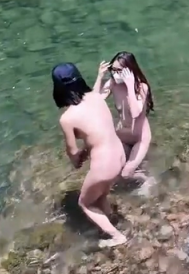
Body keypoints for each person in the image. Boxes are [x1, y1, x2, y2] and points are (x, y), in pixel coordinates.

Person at [52, 63, 127, 248]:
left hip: (104, 166)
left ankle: (117, 237)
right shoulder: (96, 97)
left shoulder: (67, 118)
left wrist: (77, 159)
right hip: (120, 155)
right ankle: (111, 218)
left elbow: (71, 150)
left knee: (85, 203)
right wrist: (100, 76)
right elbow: (93, 102)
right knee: (99, 196)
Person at [97, 51, 155, 183]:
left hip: (139, 138)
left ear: (130, 71)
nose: (115, 73)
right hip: (122, 135)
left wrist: (129, 85)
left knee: (126, 173)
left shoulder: (141, 87)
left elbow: (135, 113)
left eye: (119, 71)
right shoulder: (113, 83)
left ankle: (147, 180)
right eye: (113, 69)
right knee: (113, 169)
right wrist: (100, 77)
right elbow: (95, 101)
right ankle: (138, 167)